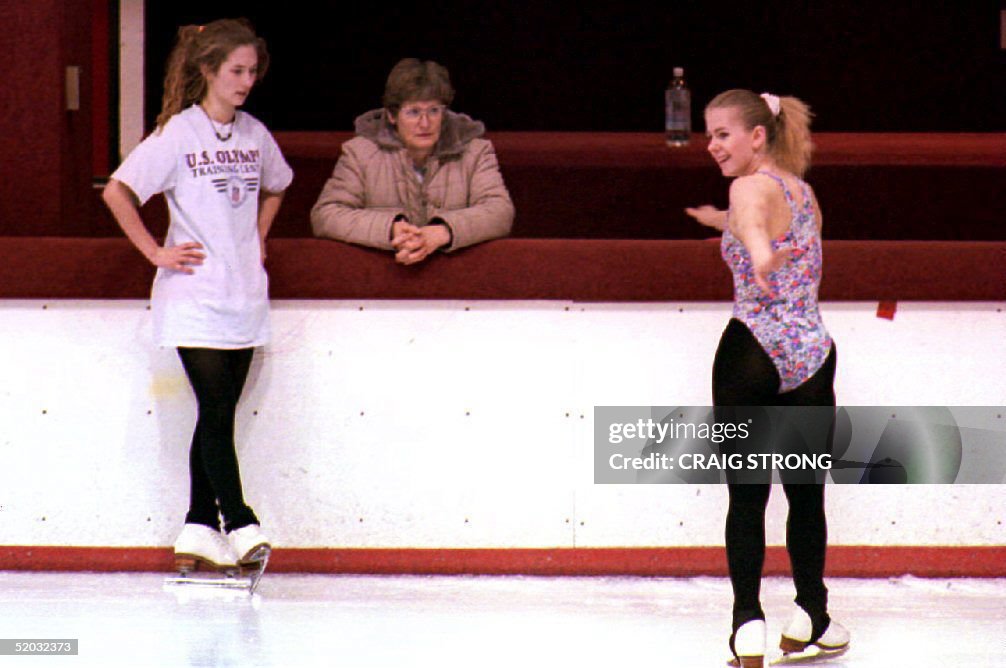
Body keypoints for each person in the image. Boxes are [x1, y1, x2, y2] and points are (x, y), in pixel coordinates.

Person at [102, 19, 292, 574]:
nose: (246, 81)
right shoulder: (178, 134)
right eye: (236, 71)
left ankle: (196, 528)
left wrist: (259, 233)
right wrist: (154, 252)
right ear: (207, 71)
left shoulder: (255, 134)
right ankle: (240, 518)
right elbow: (119, 190)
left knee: (218, 415)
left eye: (253, 71)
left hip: (244, 295)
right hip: (193, 296)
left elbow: (278, 184)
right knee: (213, 408)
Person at [686, 89, 850, 667]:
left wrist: (755, 250)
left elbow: (755, 221)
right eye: (708, 135)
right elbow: (759, 221)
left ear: (756, 136)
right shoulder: (804, 193)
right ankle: (812, 613)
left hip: (750, 352)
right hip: (810, 354)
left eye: (722, 134)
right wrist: (726, 226)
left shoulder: (747, 186)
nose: (711, 146)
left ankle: (747, 624)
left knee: (747, 498)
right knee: (806, 498)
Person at [310, 58, 514, 264]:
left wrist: (443, 232)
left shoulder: (476, 151)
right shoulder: (360, 153)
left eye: (434, 110)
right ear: (392, 115)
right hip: (383, 282)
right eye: (414, 112)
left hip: (458, 281)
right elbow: (326, 215)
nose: (425, 123)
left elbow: (500, 211)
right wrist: (391, 229)